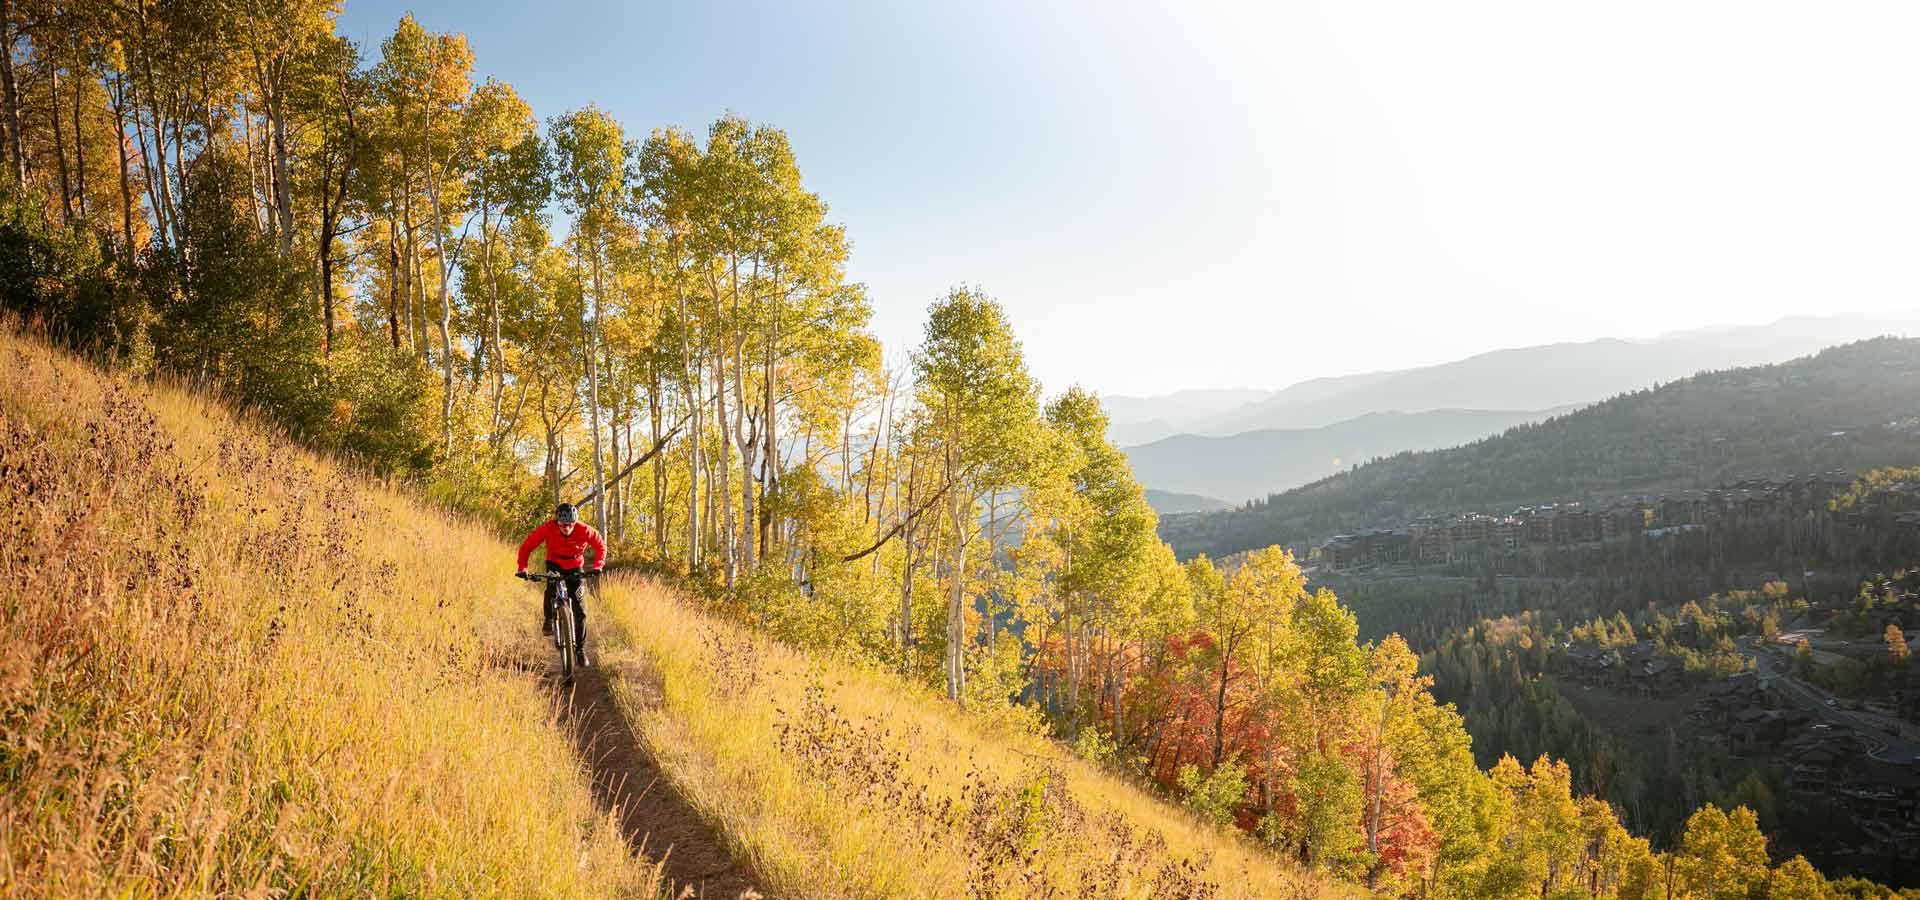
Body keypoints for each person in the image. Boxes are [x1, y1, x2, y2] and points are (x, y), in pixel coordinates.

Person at [516, 502, 606, 665]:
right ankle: (549, 619)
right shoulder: (548, 528)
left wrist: (598, 565)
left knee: (580, 610)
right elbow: (527, 546)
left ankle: (579, 650)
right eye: (563, 525)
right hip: (554, 563)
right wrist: (523, 567)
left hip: (575, 565)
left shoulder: (584, 530)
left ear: (575, 522)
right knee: (550, 588)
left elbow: (600, 545)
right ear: (557, 522)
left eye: (570, 525)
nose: (567, 528)